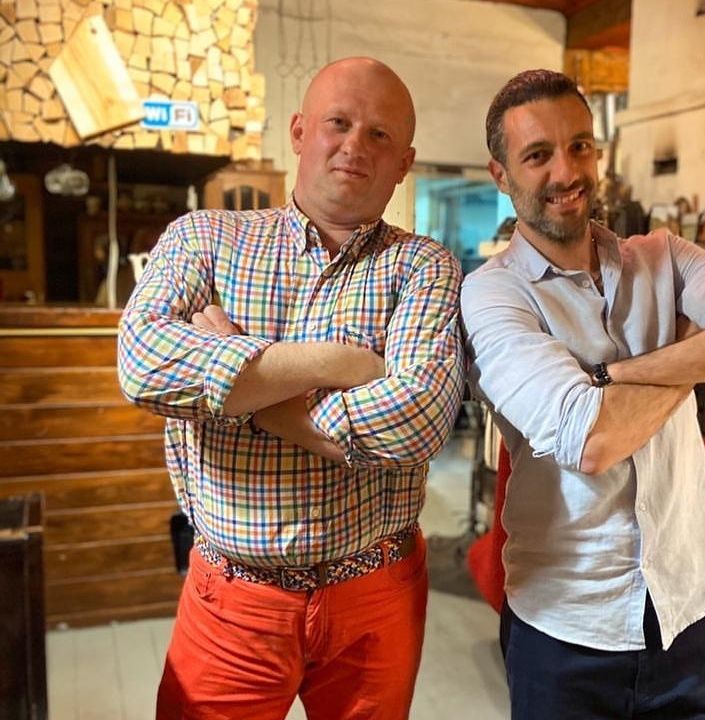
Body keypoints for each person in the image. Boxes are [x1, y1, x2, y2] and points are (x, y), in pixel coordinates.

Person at [460, 69, 705, 720]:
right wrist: (693, 349)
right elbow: (591, 440)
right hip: (567, 626)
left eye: (579, 146)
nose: (566, 171)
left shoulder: (664, 257)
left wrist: (620, 375)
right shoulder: (492, 293)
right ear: (500, 175)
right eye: (537, 155)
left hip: (696, 607)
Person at [118, 57, 464, 720]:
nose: (355, 145)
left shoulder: (423, 266)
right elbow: (142, 365)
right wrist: (336, 362)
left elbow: (414, 423)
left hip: (376, 594)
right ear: (301, 131)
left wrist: (240, 383)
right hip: (233, 599)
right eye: (339, 123)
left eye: (380, 134)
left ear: (404, 163)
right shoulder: (205, 239)